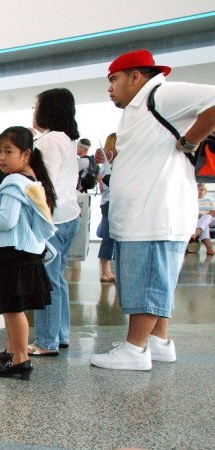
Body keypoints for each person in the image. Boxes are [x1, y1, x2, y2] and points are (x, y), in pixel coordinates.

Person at [90, 49, 215, 370]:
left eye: (114, 79)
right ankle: (158, 342)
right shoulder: (141, 107)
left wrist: (190, 140)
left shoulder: (161, 93)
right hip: (146, 214)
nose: (109, 88)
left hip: (154, 214)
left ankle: (135, 349)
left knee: (147, 280)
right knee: (155, 280)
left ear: (136, 76)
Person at [0, 126, 57, 380]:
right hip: (28, 253)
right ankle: (13, 350)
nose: (1, 157)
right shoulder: (32, 181)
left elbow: (7, 221)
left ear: (26, 154)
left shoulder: (12, 183)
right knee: (14, 307)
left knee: (12, 309)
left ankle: (20, 360)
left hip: (14, 253)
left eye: (8, 151)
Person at [28, 88, 82, 356]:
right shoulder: (66, 138)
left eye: (37, 105)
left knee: (46, 280)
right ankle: (60, 335)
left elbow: (42, 185)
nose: (34, 110)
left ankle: (46, 342)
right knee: (57, 278)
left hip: (52, 220)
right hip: (69, 216)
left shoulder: (49, 141)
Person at [94, 133, 118, 282]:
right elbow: (104, 188)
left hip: (110, 202)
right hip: (110, 202)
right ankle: (106, 271)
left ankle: (107, 271)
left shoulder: (106, 166)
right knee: (109, 237)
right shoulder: (107, 166)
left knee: (111, 237)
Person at [192, 183, 214, 255]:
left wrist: (203, 216)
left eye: (202, 190)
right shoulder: (191, 201)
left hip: (210, 219)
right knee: (205, 227)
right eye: (198, 189)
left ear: (205, 191)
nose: (199, 191)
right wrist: (198, 215)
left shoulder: (209, 201)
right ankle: (209, 249)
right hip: (196, 220)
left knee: (207, 217)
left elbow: (212, 212)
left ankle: (195, 233)